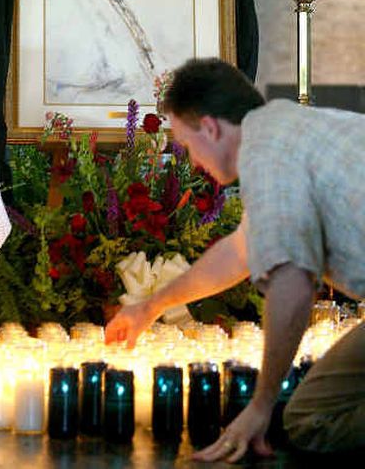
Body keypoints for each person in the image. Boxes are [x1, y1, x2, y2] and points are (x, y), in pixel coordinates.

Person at [105, 57, 365, 461]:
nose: (192, 161)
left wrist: (260, 406)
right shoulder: (282, 132)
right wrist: (150, 307)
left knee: (315, 420)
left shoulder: (268, 151)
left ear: (210, 127)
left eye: (188, 145)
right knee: (313, 412)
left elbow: (292, 284)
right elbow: (238, 252)